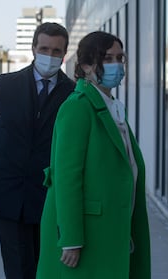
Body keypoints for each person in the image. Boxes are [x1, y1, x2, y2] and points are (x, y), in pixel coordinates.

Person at [0, 22, 75, 279]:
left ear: (64, 54)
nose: (49, 56)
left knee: (48, 270)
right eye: (44, 48)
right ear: (33, 48)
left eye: (56, 51)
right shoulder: (7, 85)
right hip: (10, 195)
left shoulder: (73, 93)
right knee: (17, 271)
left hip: (52, 197)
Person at [36, 31, 151, 278]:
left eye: (120, 58)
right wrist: (71, 238)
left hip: (111, 227)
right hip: (88, 234)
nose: (116, 65)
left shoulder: (113, 109)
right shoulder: (78, 107)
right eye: (107, 58)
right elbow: (67, 179)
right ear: (86, 66)